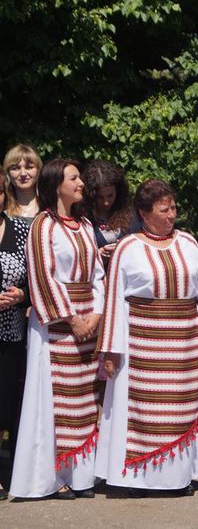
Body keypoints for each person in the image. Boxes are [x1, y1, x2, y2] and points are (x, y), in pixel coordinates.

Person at [95, 179, 198, 496]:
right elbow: (113, 300)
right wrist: (110, 349)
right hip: (140, 347)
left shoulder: (189, 244)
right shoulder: (128, 247)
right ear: (144, 212)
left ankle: (177, 477)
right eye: (163, 210)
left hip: (183, 345)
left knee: (181, 410)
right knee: (139, 413)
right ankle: (137, 478)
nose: (170, 215)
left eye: (173, 208)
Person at [10, 159, 105, 500]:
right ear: (56, 186)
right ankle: (54, 476)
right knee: (55, 402)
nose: (81, 183)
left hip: (85, 324)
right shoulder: (43, 226)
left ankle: (82, 474)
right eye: (74, 178)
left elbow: (97, 274)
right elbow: (43, 277)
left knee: (84, 400)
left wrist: (95, 315)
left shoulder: (83, 225)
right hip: (56, 328)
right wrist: (72, 318)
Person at [0, 171, 31, 501]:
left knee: (7, 406)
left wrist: (22, 294)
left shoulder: (19, 229)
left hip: (11, 333)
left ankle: (9, 474)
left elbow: (34, 275)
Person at [81, 160, 135, 267]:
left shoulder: (130, 213)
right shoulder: (82, 218)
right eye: (100, 197)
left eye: (110, 196)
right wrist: (97, 256)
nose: (106, 202)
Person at [4, 144, 42, 222]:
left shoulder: (50, 206)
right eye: (15, 168)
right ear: (8, 173)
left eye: (29, 167)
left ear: (39, 170)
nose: (23, 174)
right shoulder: (2, 208)